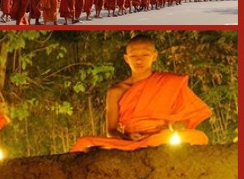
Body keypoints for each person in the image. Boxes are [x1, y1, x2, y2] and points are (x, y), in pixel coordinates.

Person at [70, 35, 212, 153]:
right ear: (126, 58)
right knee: (84, 142)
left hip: (161, 136)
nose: (139, 60)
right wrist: (128, 137)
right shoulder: (116, 91)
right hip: (130, 141)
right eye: (133, 55)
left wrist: (165, 129)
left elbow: (184, 122)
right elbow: (111, 131)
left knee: (198, 137)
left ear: (154, 56)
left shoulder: (169, 82)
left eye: (145, 54)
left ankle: (150, 143)